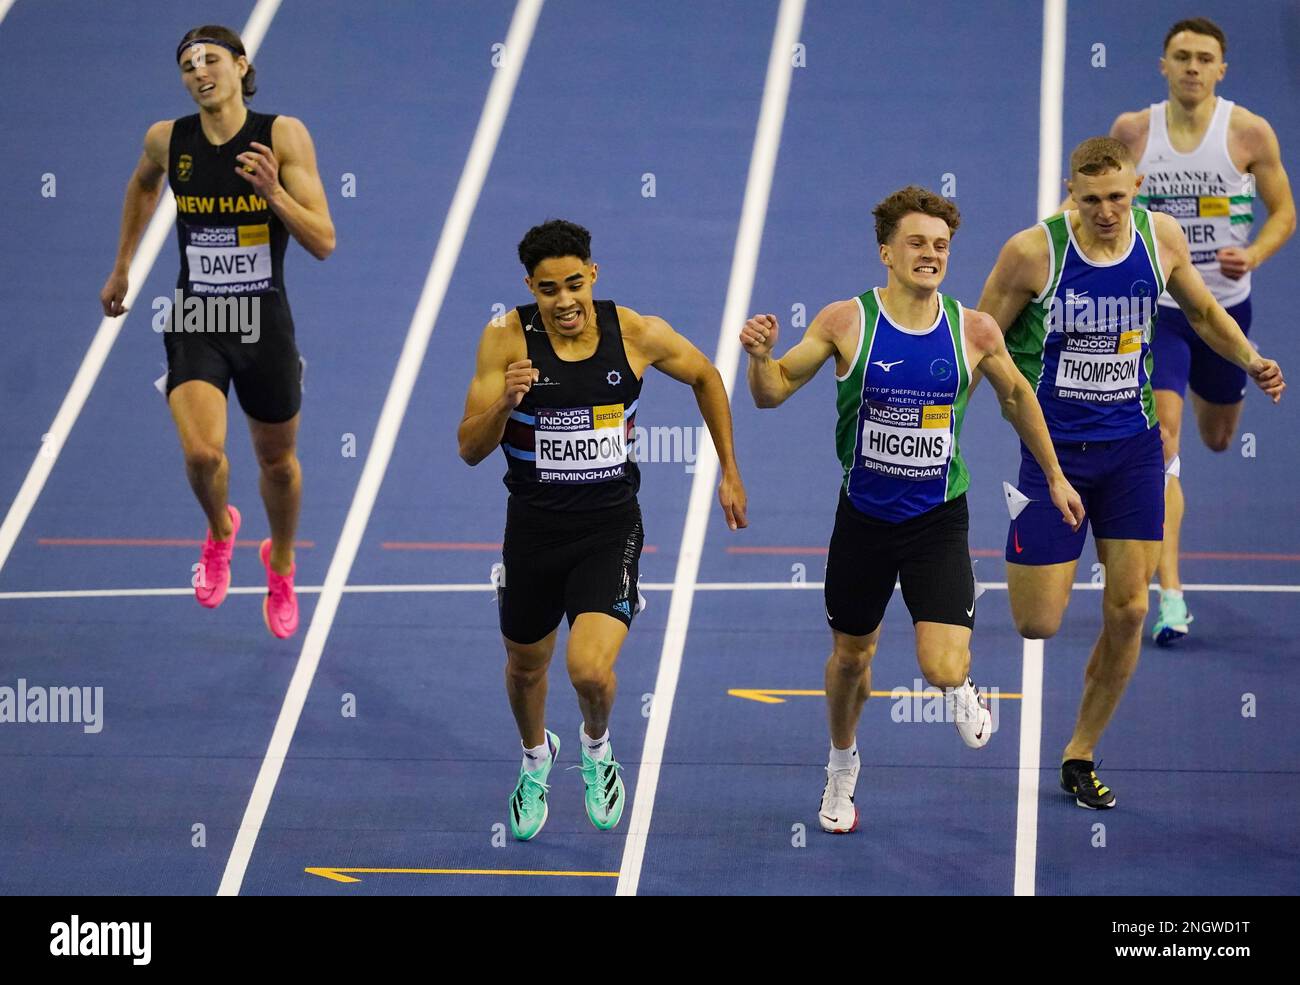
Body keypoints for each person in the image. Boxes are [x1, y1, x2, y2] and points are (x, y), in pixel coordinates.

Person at [741, 186, 1083, 834]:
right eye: (917, 243)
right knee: (850, 658)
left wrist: (1056, 477)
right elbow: (774, 392)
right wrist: (760, 360)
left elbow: (1018, 398)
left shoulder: (974, 329)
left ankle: (962, 685)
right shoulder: (847, 321)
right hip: (864, 521)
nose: (930, 254)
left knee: (943, 666)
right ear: (886, 253)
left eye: (941, 245)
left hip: (937, 520)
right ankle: (842, 763)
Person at [981, 137, 1284, 808]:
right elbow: (979, 340)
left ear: (1136, 187)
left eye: (1118, 196)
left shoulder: (1162, 237)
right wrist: (941, 426)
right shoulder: (1033, 253)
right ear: (1071, 194)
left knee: (1130, 607)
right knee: (1038, 623)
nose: (1108, 211)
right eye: (1092, 200)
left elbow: (1204, 312)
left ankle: (1080, 751)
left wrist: (1250, 359)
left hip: (1133, 452)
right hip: (1053, 456)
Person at [458, 219, 747, 840]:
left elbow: (706, 376)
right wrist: (504, 404)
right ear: (530, 288)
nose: (563, 301)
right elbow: (468, 448)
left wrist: (729, 469)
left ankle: (596, 749)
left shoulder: (636, 333)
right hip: (532, 533)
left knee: (589, 670)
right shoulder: (504, 339)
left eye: (572, 284)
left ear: (593, 273)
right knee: (525, 666)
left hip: (609, 531)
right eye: (547, 290)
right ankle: (536, 759)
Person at [100, 25, 335, 638]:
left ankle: (280, 563)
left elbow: (323, 242)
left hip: (263, 321)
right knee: (204, 454)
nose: (199, 72)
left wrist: (273, 192)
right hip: (197, 318)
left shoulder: (281, 136)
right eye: (186, 65)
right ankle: (221, 531)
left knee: (277, 463)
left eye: (210, 60)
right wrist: (123, 264)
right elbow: (143, 184)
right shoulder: (167, 139)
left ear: (240, 65)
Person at [1067, 17, 1295, 645]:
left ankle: (1208, 397)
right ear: (1162, 66)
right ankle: (1170, 595)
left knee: (1217, 438)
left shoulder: (1249, 132)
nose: (1193, 67)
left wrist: (1253, 255)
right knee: (1164, 442)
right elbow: (1089, 199)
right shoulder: (1133, 132)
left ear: (1222, 70)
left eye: (1204, 59)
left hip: (1225, 309)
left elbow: (1284, 212)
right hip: (1159, 311)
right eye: (1182, 57)